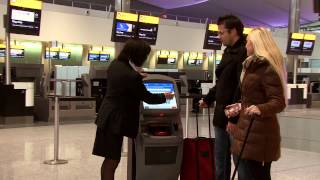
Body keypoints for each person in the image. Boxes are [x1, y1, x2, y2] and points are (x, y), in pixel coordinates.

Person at [92, 39, 173, 180]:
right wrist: (165, 96)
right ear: (137, 55)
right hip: (115, 120)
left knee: (109, 158)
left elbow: (123, 80)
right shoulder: (131, 76)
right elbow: (148, 97)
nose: (145, 59)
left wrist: (136, 75)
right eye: (145, 56)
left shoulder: (115, 65)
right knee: (112, 161)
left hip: (107, 115)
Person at [225, 28, 287, 180]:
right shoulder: (251, 66)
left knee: (255, 175)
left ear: (255, 44)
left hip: (259, 135)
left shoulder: (266, 68)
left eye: (247, 42)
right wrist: (241, 106)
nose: (245, 46)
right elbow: (252, 97)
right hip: (246, 130)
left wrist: (260, 108)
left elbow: (279, 101)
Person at [199, 15, 247, 180]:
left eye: (221, 33)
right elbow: (222, 82)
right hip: (221, 115)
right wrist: (208, 99)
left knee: (238, 161)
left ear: (233, 31)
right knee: (220, 160)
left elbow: (241, 88)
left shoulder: (243, 52)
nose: (219, 37)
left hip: (233, 118)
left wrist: (233, 119)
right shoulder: (228, 52)